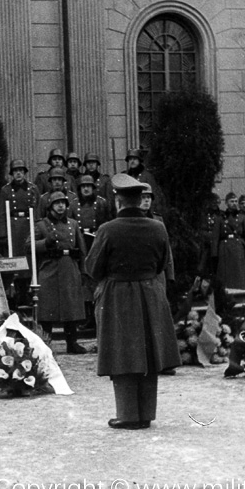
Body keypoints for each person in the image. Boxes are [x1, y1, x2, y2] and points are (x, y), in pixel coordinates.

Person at [84, 173, 181, 430]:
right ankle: (146, 413)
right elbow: (162, 263)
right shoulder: (158, 228)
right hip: (151, 292)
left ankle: (128, 415)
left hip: (118, 296)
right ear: (141, 201)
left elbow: (93, 268)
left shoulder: (107, 230)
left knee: (123, 353)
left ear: (118, 202)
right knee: (148, 353)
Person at [25, 191, 89, 354]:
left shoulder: (73, 224)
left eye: (63, 203)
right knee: (47, 308)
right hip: (50, 268)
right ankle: (46, 343)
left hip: (69, 267)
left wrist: (83, 271)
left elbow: (81, 249)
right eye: (57, 203)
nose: (61, 206)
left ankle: (72, 343)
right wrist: (45, 242)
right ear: (50, 206)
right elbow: (28, 246)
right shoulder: (41, 225)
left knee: (71, 308)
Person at [69, 175, 111, 330]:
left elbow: (108, 223)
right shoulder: (73, 205)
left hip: (97, 240)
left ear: (94, 188)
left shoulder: (102, 203)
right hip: (81, 242)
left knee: (98, 278)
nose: (86, 189)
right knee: (85, 279)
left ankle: (99, 315)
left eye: (89, 186)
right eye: (83, 186)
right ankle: (87, 316)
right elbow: (70, 226)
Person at [0, 159, 40, 306]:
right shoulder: (6, 190)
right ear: (12, 174)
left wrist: (38, 229)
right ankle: (15, 293)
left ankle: (26, 292)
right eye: (16, 171)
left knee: (28, 259)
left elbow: (38, 210)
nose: (18, 173)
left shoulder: (33, 189)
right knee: (14, 259)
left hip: (28, 226)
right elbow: (1, 213)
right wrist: (3, 234)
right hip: (13, 227)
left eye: (21, 171)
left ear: (25, 173)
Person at [212, 192, 245, 290]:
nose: (234, 203)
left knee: (241, 276)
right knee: (226, 278)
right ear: (226, 203)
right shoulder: (220, 218)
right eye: (231, 201)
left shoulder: (243, 217)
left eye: (235, 201)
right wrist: (214, 254)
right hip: (224, 250)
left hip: (239, 249)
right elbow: (215, 237)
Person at [197, 194, 221, 276]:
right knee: (203, 267)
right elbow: (202, 229)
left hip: (218, 246)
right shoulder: (205, 215)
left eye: (217, 202)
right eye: (213, 202)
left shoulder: (221, 215)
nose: (215, 204)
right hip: (207, 245)